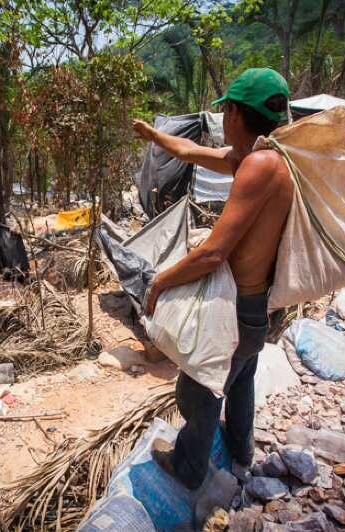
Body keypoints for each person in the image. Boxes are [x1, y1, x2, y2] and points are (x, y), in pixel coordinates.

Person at [131, 67, 294, 490]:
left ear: (236, 114)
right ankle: (241, 453)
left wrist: (160, 282)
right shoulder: (267, 157)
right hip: (258, 306)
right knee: (239, 382)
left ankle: (188, 468)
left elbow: (214, 251)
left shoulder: (258, 165)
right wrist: (153, 135)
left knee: (198, 389)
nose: (222, 120)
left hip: (239, 309)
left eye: (226, 112)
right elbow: (187, 151)